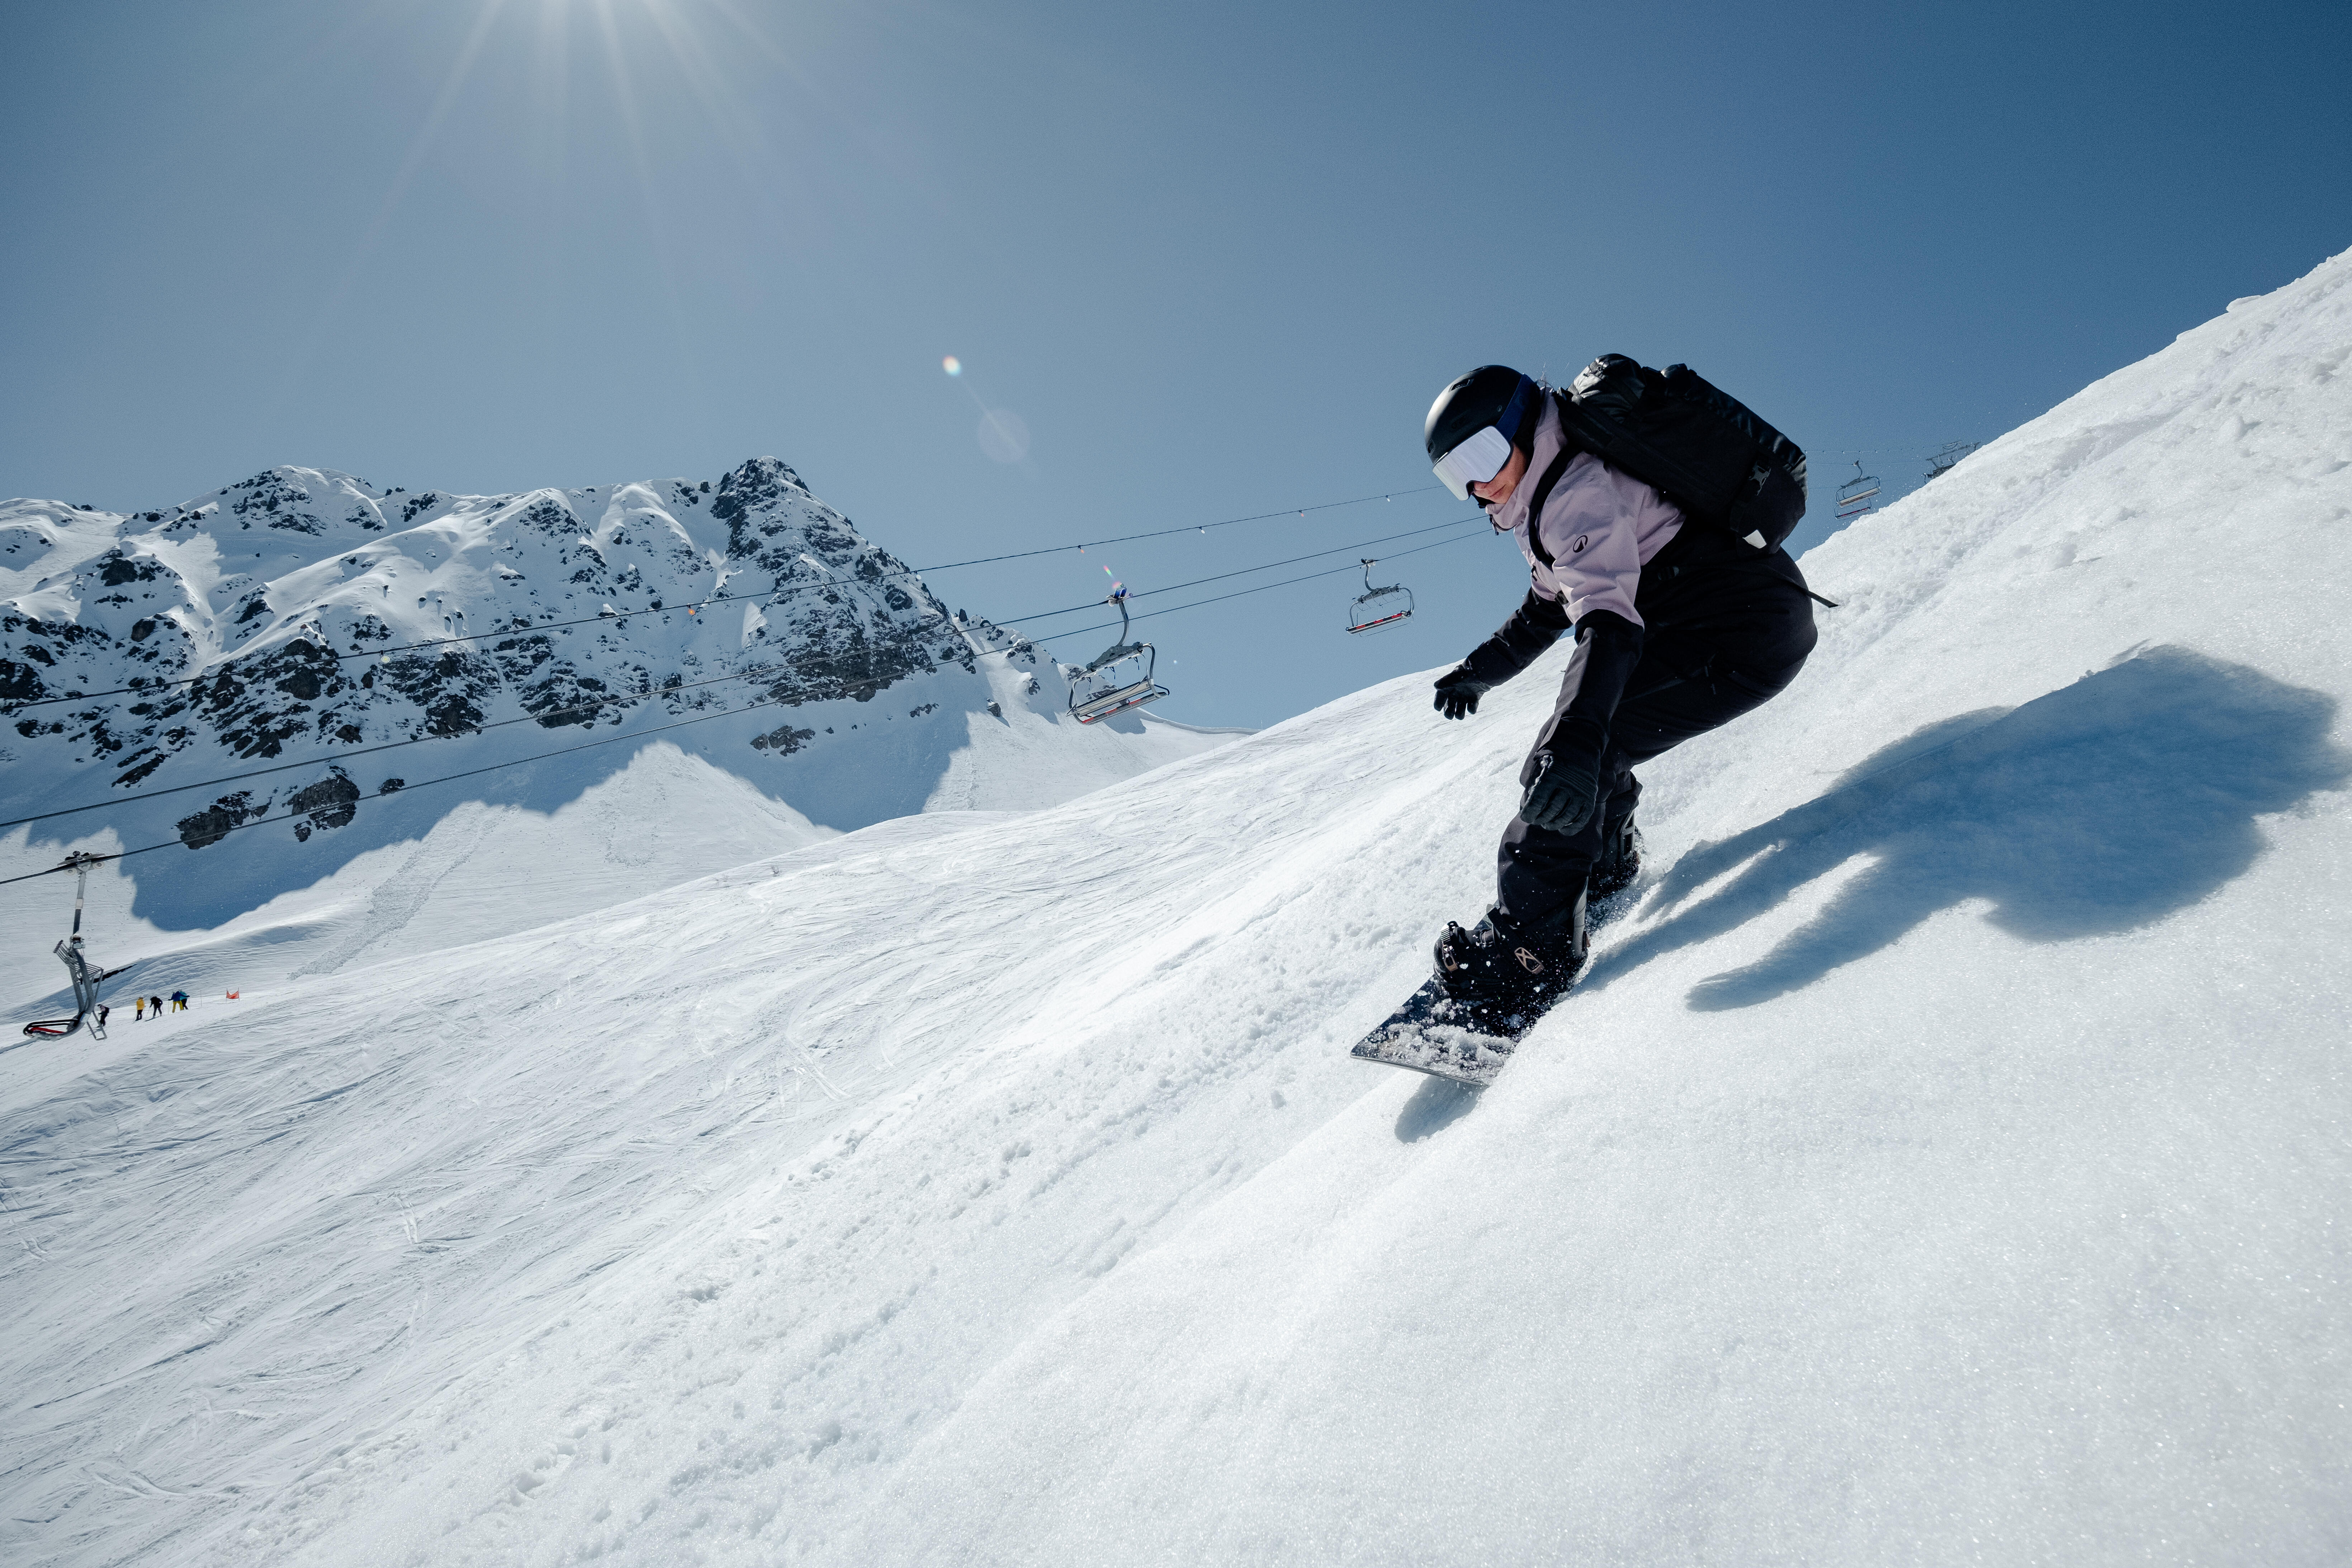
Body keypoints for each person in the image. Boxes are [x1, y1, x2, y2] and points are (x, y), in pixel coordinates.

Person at [1421, 364, 1819, 1023]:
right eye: (1453, 475)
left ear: (1523, 423)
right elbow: (1549, 606)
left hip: (1742, 636)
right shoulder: (1548, 485)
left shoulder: (1574, 487)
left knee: (1572, 756)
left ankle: (1529, 954)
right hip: (1734, 621)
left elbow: (1605, 619)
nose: (1476, 485)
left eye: (1482, 455)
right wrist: (1480, 669)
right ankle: (1602, 862)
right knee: (1582, 745)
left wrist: (1576, 746)